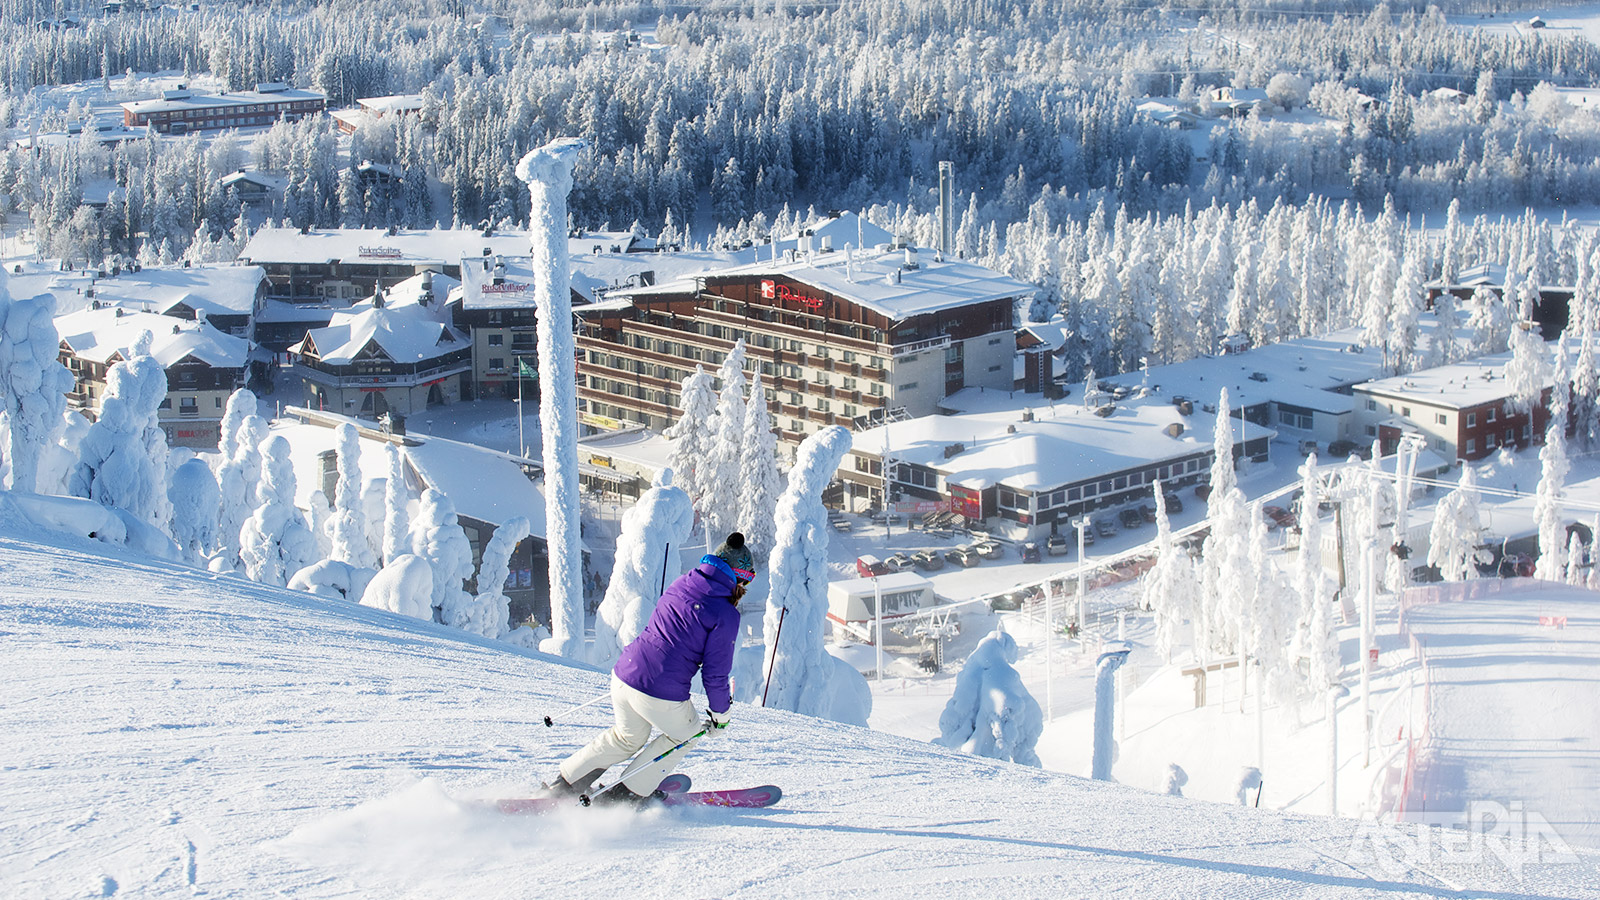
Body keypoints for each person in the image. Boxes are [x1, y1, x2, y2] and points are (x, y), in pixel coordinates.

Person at [546, 532, 754, 803]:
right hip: (658, 691)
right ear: (737, 576)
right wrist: (720, 716)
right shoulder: (725, 614)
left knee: (627, 737)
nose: (745, 587)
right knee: (686, 734)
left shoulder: (683, 583)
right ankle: (624, 796)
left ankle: (564, 784)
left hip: (624, 675)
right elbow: (715, 675)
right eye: (746, 579)